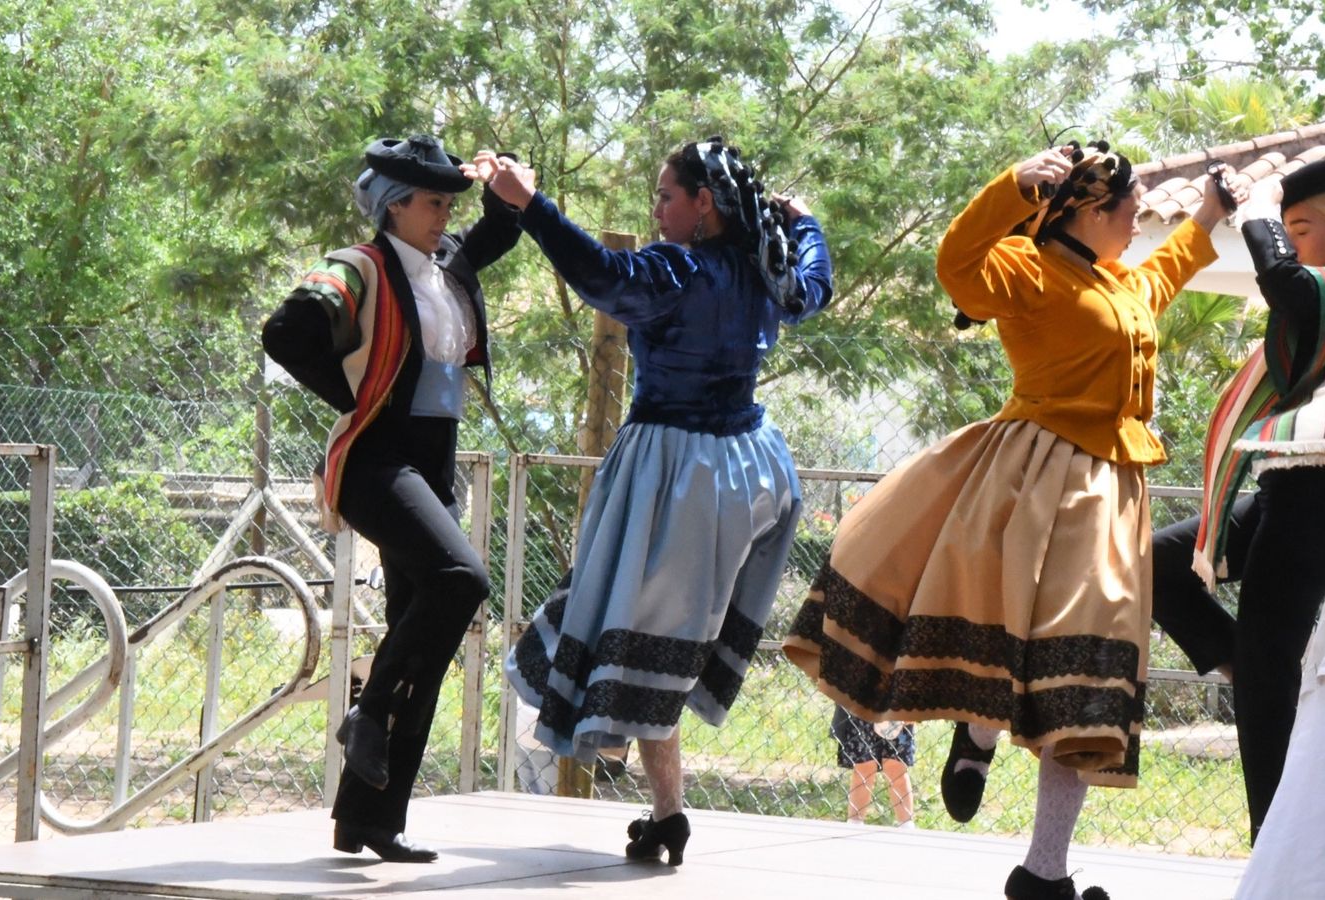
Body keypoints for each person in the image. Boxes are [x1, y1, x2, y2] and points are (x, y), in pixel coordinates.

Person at [784, 140, 1245, 900]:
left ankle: (1044, 872)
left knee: (1087, 681)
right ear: (1092, 211)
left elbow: (1160, 277)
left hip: (1110, 494)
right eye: (1130, 211)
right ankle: (978, 734)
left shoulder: (1116, 280)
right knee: (1010, 639)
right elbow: (955, 266)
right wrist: (1013, 189)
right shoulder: (1029, 270)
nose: (1138, 223)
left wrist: (1209, 217)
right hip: (1031, 483)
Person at [495, 136, 834, 866]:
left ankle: (667, 807)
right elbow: (813, 284)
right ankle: (668, 813)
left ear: (702, 203)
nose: (655, 210)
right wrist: (806, 224)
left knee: (632, 631)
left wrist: (531, 206)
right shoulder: (761, 269)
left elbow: (599, 274)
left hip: (677, 475)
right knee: (661, 643)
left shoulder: (679, 271)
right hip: (751, 469)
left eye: (664, 196)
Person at [261, 134, 526, 862]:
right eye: (434, 202)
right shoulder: (360, 266)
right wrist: (353, 397)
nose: (445, 214)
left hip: (431, 465)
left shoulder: (447, 267)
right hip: (378, 461)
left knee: (424, 638)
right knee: (461, 579)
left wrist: (509, 186)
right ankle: (368, 711)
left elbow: (502, 227)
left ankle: (368, 820)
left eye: (447, 202)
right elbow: (284, 332)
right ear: (394, 206)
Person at [1148, 153, 1325, 842]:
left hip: (1311, 510)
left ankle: (1278, 853)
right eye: (1287, 227)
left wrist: (1257, 211)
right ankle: (1263, 673)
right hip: (1291, 492)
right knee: (1156, 566)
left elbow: (1282, 280)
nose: (1292, 242)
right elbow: (1316, 395)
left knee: (1264, 687)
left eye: (1304, 228)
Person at [830, 706, 917, 827]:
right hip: (863, 707)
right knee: (863, 767)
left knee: (896, 768)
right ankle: (854, 823)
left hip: (898, 710)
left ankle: (906, 826)